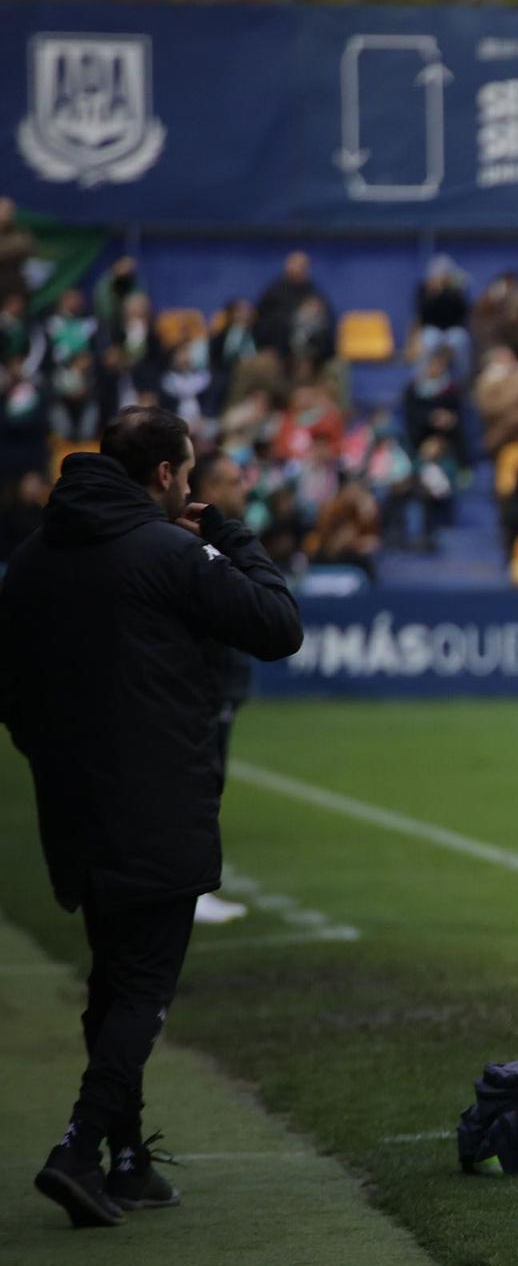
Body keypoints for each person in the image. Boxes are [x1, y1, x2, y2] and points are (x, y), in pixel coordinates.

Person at [1, 407, 303, 1227]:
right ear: (166, 475)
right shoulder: (170, 550)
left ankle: (126, 1161)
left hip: (74, 807)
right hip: (158, 801)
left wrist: (56, 761)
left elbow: (12, 693)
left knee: (111, 978)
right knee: (143, 988)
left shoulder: (30, 560)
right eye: (189, 470)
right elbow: (278, 626)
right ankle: (78, 1146)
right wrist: (232, 536)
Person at [187, 452, 257, 926]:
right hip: (203, 683)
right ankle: (191, 887)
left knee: (211, 779)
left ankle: (194, 885)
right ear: (208, 489)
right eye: (232, 482)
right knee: (200, 783)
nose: (243, 490)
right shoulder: (197, 544)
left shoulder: (224, 538)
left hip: (222, 679)